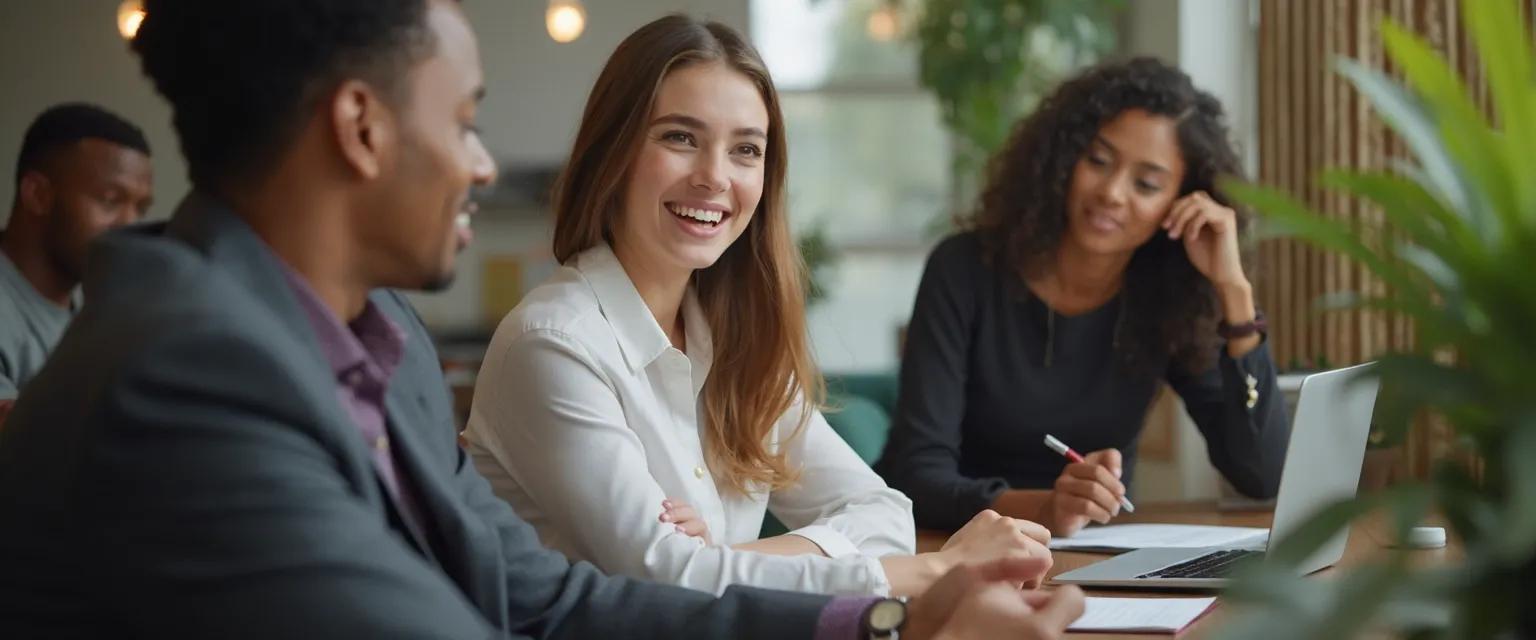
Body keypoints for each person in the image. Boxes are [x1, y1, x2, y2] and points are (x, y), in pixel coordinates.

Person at [0, 1, 1084, 638]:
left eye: (746, 148)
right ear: (360, 129)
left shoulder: (388, 346)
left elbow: (551, 597)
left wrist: (889, 618)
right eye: (467, 123)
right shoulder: (187, 377)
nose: (482, 164)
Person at [463, 14, 1052, 600]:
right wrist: (932, 571)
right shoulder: (554, 343)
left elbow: (884, 514)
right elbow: (664, 586)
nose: (715, 177)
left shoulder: (734, 341)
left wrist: (720, 559)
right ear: (612, 152)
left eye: (746, 150)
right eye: (679, 137)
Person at [878, 58, 1290, 538]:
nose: (1113, 193)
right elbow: (915, 476)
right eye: (1098, 160)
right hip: (949, 548)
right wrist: (1047, 508)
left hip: (1093, 559)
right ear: (1064, 158)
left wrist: (1234, 291)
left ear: (1179, 203)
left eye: (1147, 184)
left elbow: (1260, 475)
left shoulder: (1166, 300)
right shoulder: (965, 269)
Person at [0, 103, 152, 424]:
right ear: (38, 194)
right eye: (111, 200)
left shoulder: (94, 317)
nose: (131, 225)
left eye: (141, 208)